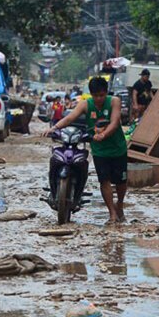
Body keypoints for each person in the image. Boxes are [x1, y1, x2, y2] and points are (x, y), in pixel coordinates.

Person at [48, 76, 128, 225]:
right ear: (91, 94)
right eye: (96, 95)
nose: (99, 98)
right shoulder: (85, 104)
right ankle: (112, 213)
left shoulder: (114, 101)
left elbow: (115, 122)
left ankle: (120, 205)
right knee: (104, 180)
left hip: (118, 148)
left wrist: (104, 134)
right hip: (99, 151)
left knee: (121, 181)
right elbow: (70, 118)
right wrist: (55, 127)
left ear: (106, 93)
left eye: (102, 95)